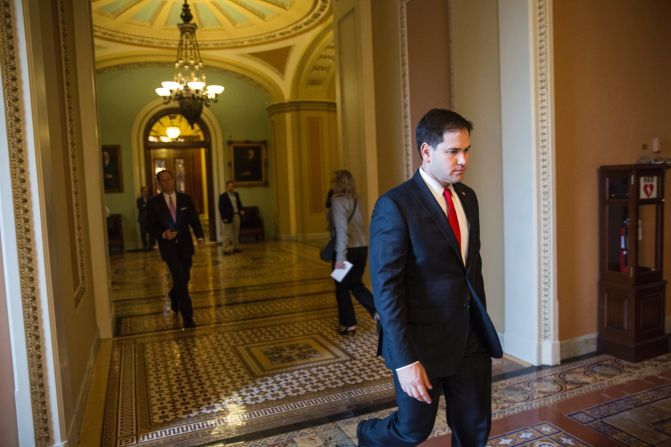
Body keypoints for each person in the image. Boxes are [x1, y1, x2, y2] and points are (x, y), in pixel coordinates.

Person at [357, 109, 502, 446]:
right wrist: (404, 360)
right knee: (412, 431)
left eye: (466, 150)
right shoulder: (395, 205)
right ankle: (367, 435)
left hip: (470, 339)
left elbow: (470, 269)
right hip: (421, 345)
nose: (463, 160)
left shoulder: (468, 198)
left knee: (474, 428)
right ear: (426, 151)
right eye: (453, 152)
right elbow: (387, 290)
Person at [146, 170, 204, 328]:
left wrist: (199, 236)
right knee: (179, 278)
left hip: (186, 246)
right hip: (168, 248)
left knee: (184, 276)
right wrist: (163, 234)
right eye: (163, 181)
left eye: (169, 179)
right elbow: (148, 226)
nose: (167, 183)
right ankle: (188, 317)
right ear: (158, 184)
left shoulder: (185, 199)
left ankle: (173, 294)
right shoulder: (153, 203)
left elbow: (194, 220)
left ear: (174, 180)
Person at [330, 170, 377, 335]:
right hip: (362, 248)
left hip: (346, 251)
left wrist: (340, 260)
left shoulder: (337, 202)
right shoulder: (356, 199)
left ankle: (348, 324)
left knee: (341, 288)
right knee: (356, 284)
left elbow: (342, 231)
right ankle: (378, 313)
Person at [218, 180, 245, 254]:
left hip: (236, 215)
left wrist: (241, 209)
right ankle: (226, 249)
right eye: (230, 186)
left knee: (236, 232)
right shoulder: (223, 196)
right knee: (227, 234)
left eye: (232, 186)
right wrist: (224, 218)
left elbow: (239, 204)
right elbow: (221, 208)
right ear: (226, 187)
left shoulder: (236, 194)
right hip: (228, 216)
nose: (231, 187)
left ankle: (236, 247)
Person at [136, 186, 155, 250]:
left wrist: (145, 206)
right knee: (143, 233)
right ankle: (145, 246)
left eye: (147, 191)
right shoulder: (139, 200)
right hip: (142, 219)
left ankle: (151, 246)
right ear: (141, 192)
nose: (146, 192)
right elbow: (140, 207)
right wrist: (147, 206)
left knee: (151, 232)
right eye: (144, 191)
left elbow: (152, 207)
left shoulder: (151, 199)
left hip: (150, 218)